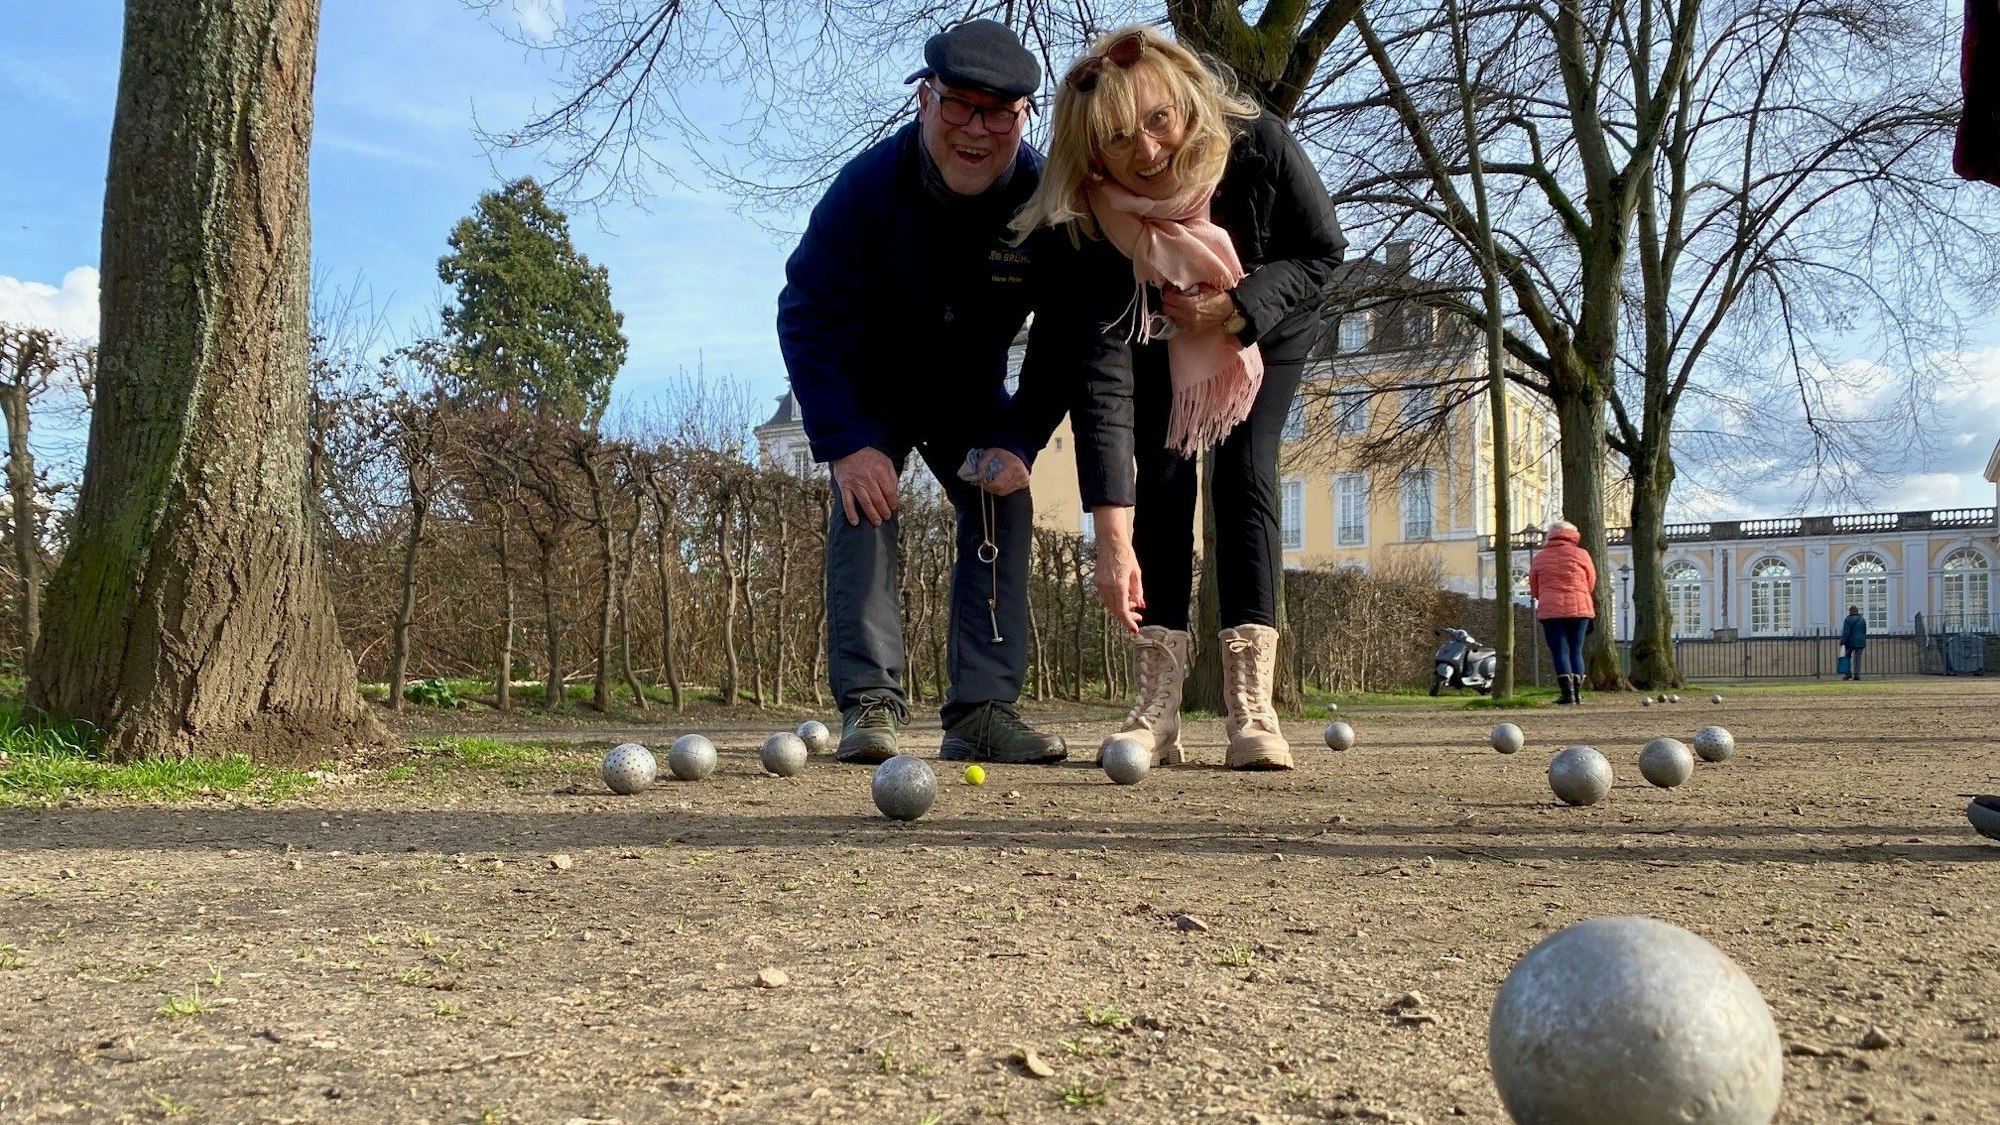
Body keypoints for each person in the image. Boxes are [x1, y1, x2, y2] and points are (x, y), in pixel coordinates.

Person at [988, 25, 1344, 770]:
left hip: (1264, 319)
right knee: (1164, 475)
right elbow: (1100, 382)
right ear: (1092, 151)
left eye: (1157, 120)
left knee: (1245, 469)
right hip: (1154, 327)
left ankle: (1252, 705)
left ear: (1184, 102)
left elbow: (1320, 252)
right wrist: (1110, 541)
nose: (1147, 150)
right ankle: (1159, 705)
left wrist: (1237, 306)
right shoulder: (1091, 221)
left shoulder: (1256, 147)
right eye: (1119, 139)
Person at [776, 19, 1066, 766]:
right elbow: (805, 309)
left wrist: (1023, 436)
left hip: (968, 392)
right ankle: (870, 703)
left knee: (1004, 494)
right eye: (958, 104)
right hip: (871, 383)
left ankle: (983, 709)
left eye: (997, 112)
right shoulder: (866, 188)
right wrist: (842, 439)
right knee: (863, 496)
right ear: (923, 100)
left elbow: (1068, 336)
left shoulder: (1043, 201)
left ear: (1023, 118)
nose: (976, 129)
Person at [1527, 520, 1597, 705]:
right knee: (1576, 650)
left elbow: (1534, 586)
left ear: (1550, 535)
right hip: (1580, 610)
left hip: (1552, 610)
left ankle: (1567, 694)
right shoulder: (1582, 554)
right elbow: (1591, 582)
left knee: (1560, 651)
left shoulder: (1540, 557)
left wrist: (1545, 596)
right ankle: (1578, 693)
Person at [1841, 604, 1868, 680]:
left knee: (1847, 657)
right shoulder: (1862, 619)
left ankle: (1848, 674)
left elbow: (1846, 632)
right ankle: (1857, 675)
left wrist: (1843, 641)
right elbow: (1864, 631)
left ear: (1850, 611)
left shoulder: (1847, 619)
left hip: (1849, 642)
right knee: (1858, 659)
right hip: (1860, 642)